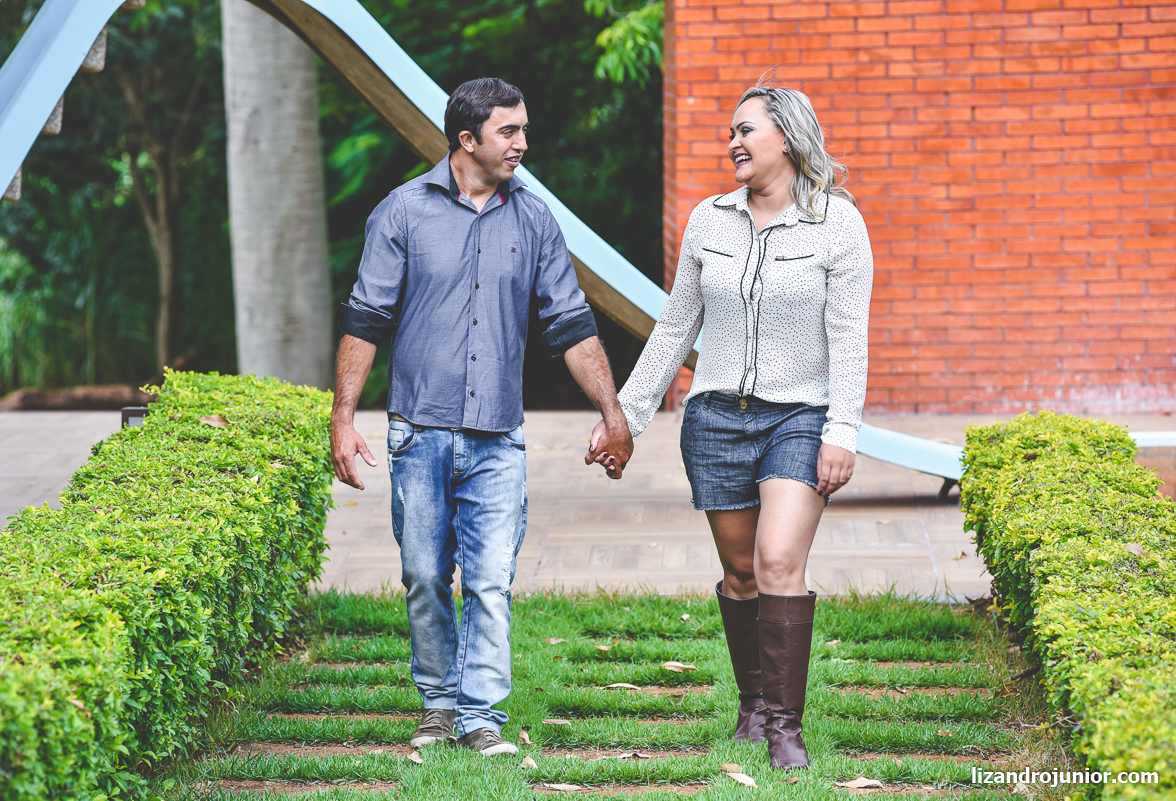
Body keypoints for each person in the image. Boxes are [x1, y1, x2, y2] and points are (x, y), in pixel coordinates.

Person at [331, 77, 633, 757]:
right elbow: (366, 319)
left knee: (491, 578)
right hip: (418, 429)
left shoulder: (535, 219)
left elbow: (571, 324)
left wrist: (613, 413)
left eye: (523, 129)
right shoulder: (402, 212)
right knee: (425, 575)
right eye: (509, 131)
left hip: (498, 434)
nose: (523, 143)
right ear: (467, 139)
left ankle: (479, 715)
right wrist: (343, 417)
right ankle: (438, 703)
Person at [588, 80, 873, 769]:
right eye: (731, 132)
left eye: (747, 130)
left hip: (799, 418)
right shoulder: (708, 221)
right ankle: (752, 702)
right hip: (715, 419)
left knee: (780, 559)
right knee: (742, 572)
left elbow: (850, 337)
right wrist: (625, 416)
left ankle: (785, 727)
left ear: (788, 137)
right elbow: (675, 326)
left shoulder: (837, 225)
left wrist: (844, 429)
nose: (734, 142)